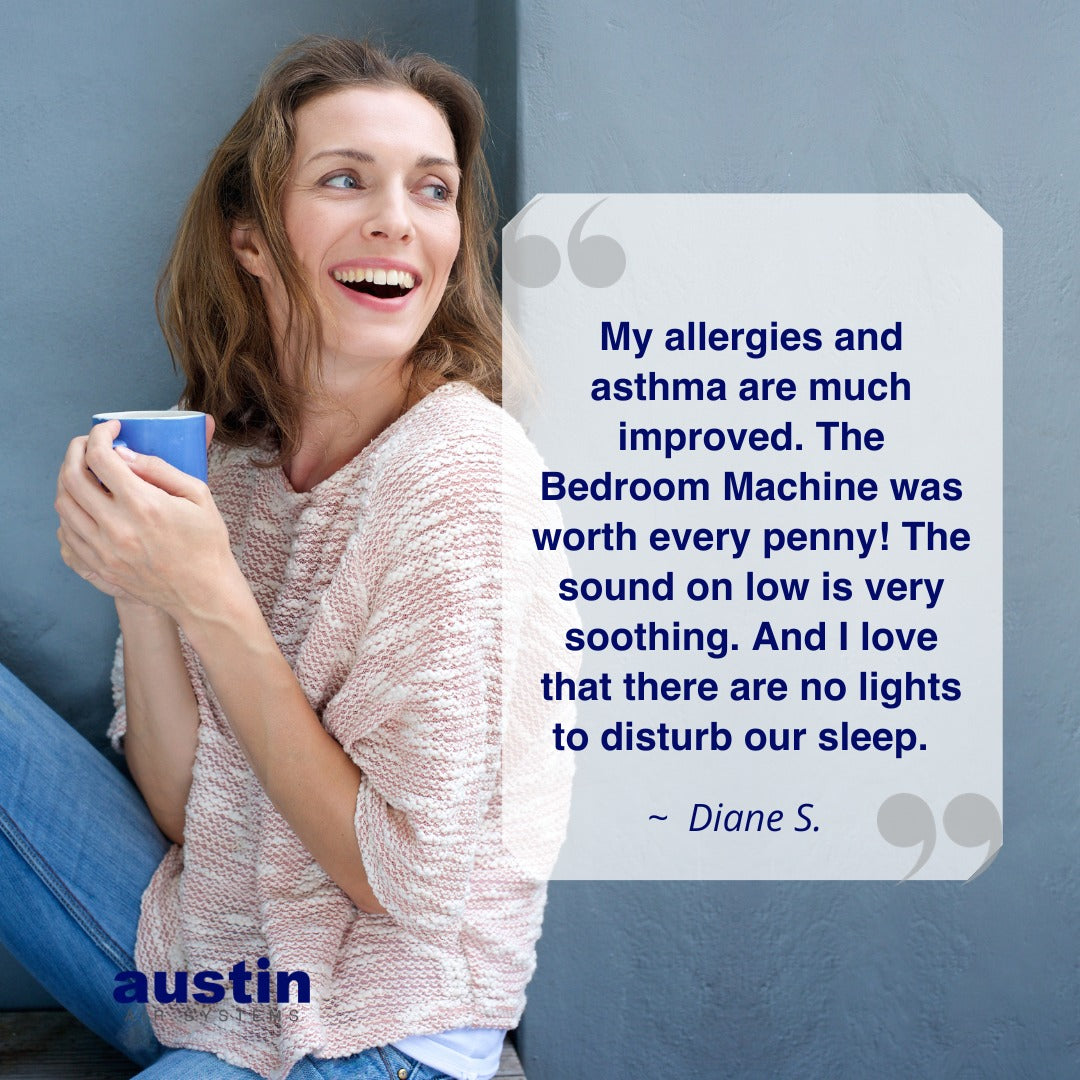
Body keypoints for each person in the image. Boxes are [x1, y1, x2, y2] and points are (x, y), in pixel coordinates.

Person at [0, 35, 572, 1080]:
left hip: (376, 1025)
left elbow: (407, 884)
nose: (398, 218)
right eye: (345, 178)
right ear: (254, 238)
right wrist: (145, 587)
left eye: (432, 189)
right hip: (205, 968)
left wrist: (210, 594)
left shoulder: (462, 473)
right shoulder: (236, 465)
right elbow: (185, 809)